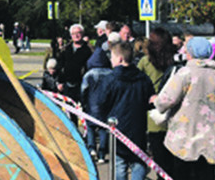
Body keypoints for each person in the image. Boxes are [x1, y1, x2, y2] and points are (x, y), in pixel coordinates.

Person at [153, 37, 215, 180]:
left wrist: (157, 102)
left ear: (190, 53)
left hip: (183, 139)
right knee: (206, 175)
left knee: (181, 174)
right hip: (210, 141)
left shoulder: (185, 73)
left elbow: (165, 100)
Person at [98, 41, 155, 180]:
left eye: (112, 57)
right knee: (138, 162)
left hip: (118, 128)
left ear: (119, 59)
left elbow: (102, 102)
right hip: (138, 127)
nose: (110, 60)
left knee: (119, 164)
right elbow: (150, 101)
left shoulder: (110, 79)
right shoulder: (143, 78)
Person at [137, 27, 177, 179]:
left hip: (153, 116)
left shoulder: (145, 62)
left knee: (159, 161)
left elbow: (138, 83)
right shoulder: (174, 61)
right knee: (172, 160)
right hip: (173, 113)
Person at [81, 32, 116, 163]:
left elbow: (83, 90)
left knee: (90, 128)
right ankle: (102, 154)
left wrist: (83, 102)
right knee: (103, 129)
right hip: (106, 106)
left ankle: (91, 149)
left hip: (91, 104)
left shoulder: (89, 74)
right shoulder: (111, 74)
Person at [55, 24, 92, 102]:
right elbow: (60, 66)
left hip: (81, 85)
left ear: (82, 34)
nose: (76, 35)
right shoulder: (66, 49)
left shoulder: (88, 51)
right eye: (73, 34)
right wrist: (60, 81)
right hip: (66, 85)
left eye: (78, 33)